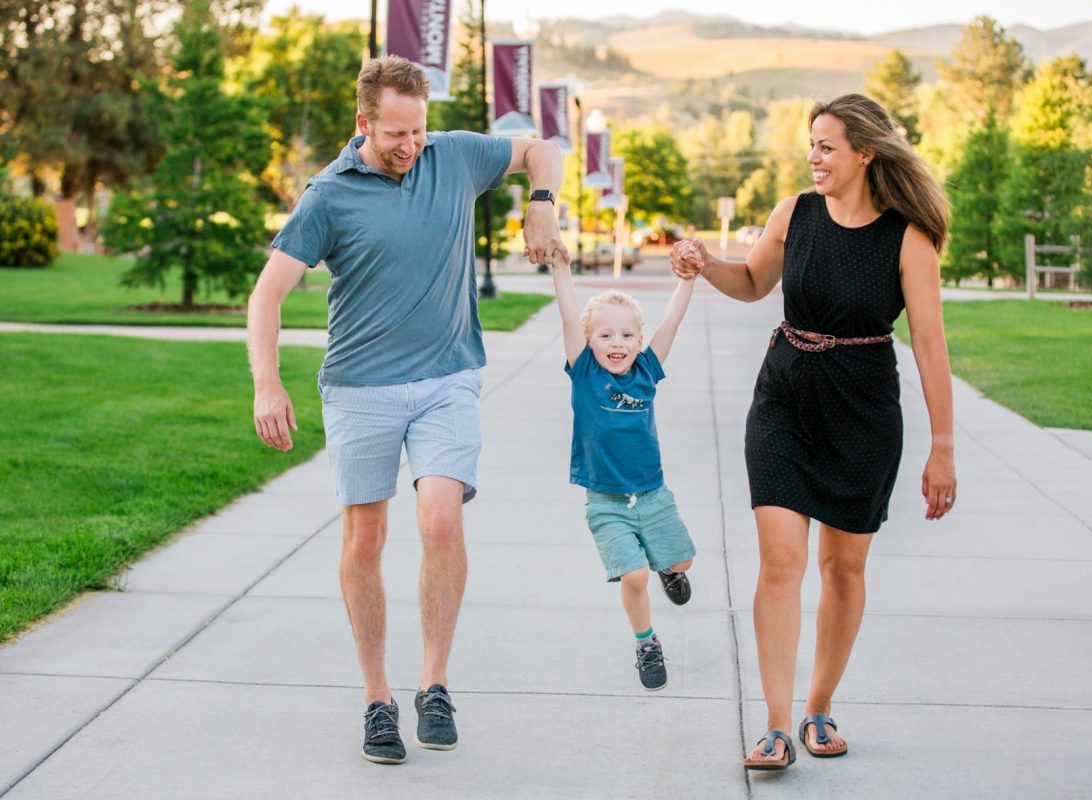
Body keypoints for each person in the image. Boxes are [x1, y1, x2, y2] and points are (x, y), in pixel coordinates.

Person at [247, 56, 567, 765]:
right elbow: (266, 295)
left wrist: (541, 199)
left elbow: (542, 146)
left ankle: (435, 686)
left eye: (418, 129)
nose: (410, 145)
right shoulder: (328, 195)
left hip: (447, 378)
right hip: (360, 386)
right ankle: (376, 700)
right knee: (365, 540)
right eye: (396, 133)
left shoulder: (451, 156)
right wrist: (268, 384)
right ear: (363, 123)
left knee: (442, 516)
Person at [671, 93, 957, 770]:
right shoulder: (793, 213)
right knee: (780, 560)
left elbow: (930, 344)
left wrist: (943, 447)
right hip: (785, 395)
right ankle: (773, 725)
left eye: (827, 146)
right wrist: (704, 261)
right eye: (812, 144)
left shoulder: (908, 238)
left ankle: (818, 707)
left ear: (865, 153)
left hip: (862, 409)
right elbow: (749, 283)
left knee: (842, 567)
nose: (814, 156)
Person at [549, 257, 698, 691]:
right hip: (606, 502)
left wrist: (686, 280)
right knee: (633, 576)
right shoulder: (585, 372)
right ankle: (646, 642)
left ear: (639, 340)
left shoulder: (646, 370)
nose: (618, 342)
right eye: (606, 334)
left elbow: (671, 322)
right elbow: (566, 312)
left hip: (653, 496)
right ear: (589, 339)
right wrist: (560, 267)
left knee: (681, 560)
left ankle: (670, 570)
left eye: (628, 334)